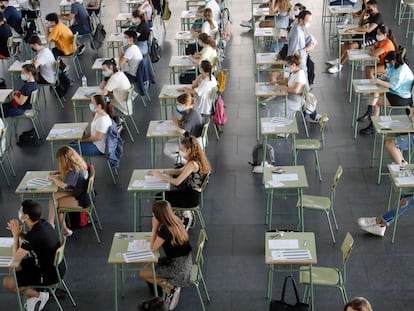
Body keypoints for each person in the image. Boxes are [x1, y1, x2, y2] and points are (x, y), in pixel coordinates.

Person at [3, 200, 64, 311]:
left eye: (20, 211)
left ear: (26, 216)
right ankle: (30, 293)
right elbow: (33, 240)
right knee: (15, 268)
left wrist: (16, 236)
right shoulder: (42, 223)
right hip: (56, 267)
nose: (19, 212)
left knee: (8, 282)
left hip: (49, 274)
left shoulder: (34, 235)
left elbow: (16, 258)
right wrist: (21, 234)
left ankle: (38, 295)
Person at [139, 200, 193, 310]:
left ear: (159, 215)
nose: (153, 216)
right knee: (150, 264)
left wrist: (154, 227)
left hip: (178, 268)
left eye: (154, 214)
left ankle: (170, 286)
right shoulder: (176, 220)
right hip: (185, 262)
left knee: (143, 273)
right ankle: (169, 285)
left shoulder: (166, 230)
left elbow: (153, 248)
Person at [359, 51, 414, 134]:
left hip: (401, 97)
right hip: (395, 92)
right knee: (375, 94)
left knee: (376, 101)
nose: (387, 64)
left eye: (388, 62)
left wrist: (378, 81)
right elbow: (387, 76)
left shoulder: (402, 70)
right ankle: (370, 116)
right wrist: (380, 79)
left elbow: (393, 86)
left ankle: (372, 123)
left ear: (393, 60)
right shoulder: (395, 66)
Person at [152, 135, 211, 209]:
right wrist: (163, 171)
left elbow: (177, 182)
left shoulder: (192, 164)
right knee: (160, 195)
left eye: (182, 150)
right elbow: (180, 171)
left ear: (189, 150)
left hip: (190, 199)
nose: (180, 152)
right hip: (189, 194)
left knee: (160, 198)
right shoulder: (196, 159)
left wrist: (159, 176)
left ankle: (173, 218)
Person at [327, 0, 383, 73]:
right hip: (366, 35)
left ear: (375, 7)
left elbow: (369, 29)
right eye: (367, 7)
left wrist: (354, 30)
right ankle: (338, 59)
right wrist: (364, 12)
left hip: (372, 38)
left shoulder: (378, 17)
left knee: (351, 47)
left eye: (369, 7)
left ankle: (340, 65)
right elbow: (361, 23)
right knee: (346, 42)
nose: (368, 9)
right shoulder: (372, 15)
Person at [47, 146, 90, 237]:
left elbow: (62, 185)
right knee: (54, 197)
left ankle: (51, 224)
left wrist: (52, 177)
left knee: (55, 202)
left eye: (60, 161)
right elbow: (67, 177)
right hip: (80, 193)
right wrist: (57, 173)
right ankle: (60, 227)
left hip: (80, 199)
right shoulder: (78, 165)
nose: (59, 163)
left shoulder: (73, 170)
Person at [163, 93, 204, 162]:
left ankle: (186, 163)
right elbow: (183, 121)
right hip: (192, 137)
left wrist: (176, 123)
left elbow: (182, 131)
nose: (178, 106)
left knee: (166, 150)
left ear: (185, 105)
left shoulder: (191, 115)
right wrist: (178, 121)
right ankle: (183, 161)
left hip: (193, 142)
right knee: (168, 143)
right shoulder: (190, 109)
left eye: (179, 104)